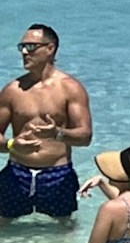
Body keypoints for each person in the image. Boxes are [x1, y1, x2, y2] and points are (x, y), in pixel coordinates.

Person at [1, 23, 93, 224]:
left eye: (31, 47)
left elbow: (85, 137)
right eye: (22, 47)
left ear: (50, 48)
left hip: (58, 175)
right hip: (16, 173)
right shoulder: (12, 90)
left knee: (63, 232)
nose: (24, 52)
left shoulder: (70, 88)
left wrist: (57, 133)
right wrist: (11, 145)